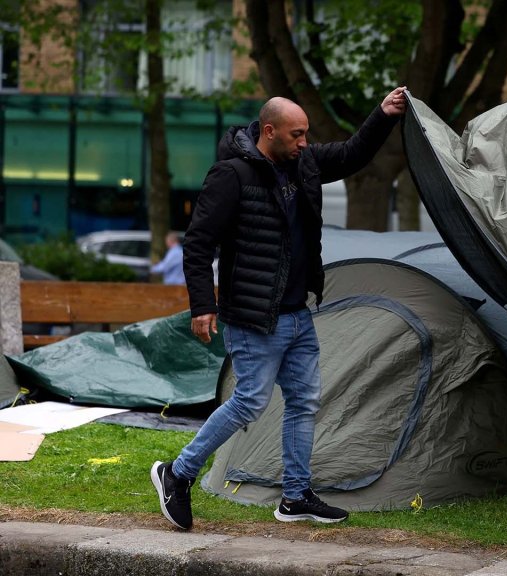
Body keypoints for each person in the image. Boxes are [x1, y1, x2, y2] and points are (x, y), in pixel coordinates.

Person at [150, 87, 408, 531]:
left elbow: (349, 155)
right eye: (297, 134)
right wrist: (202, 305)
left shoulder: (303, 163)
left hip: (297, 313)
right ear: (269, 132)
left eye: (306, 134)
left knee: (304, 402)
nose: (304, 142)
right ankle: (177, 472)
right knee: (250, 401)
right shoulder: (230, 176)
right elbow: (197, 244)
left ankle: (294, 497)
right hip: (253, 317)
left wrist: (382, 115)